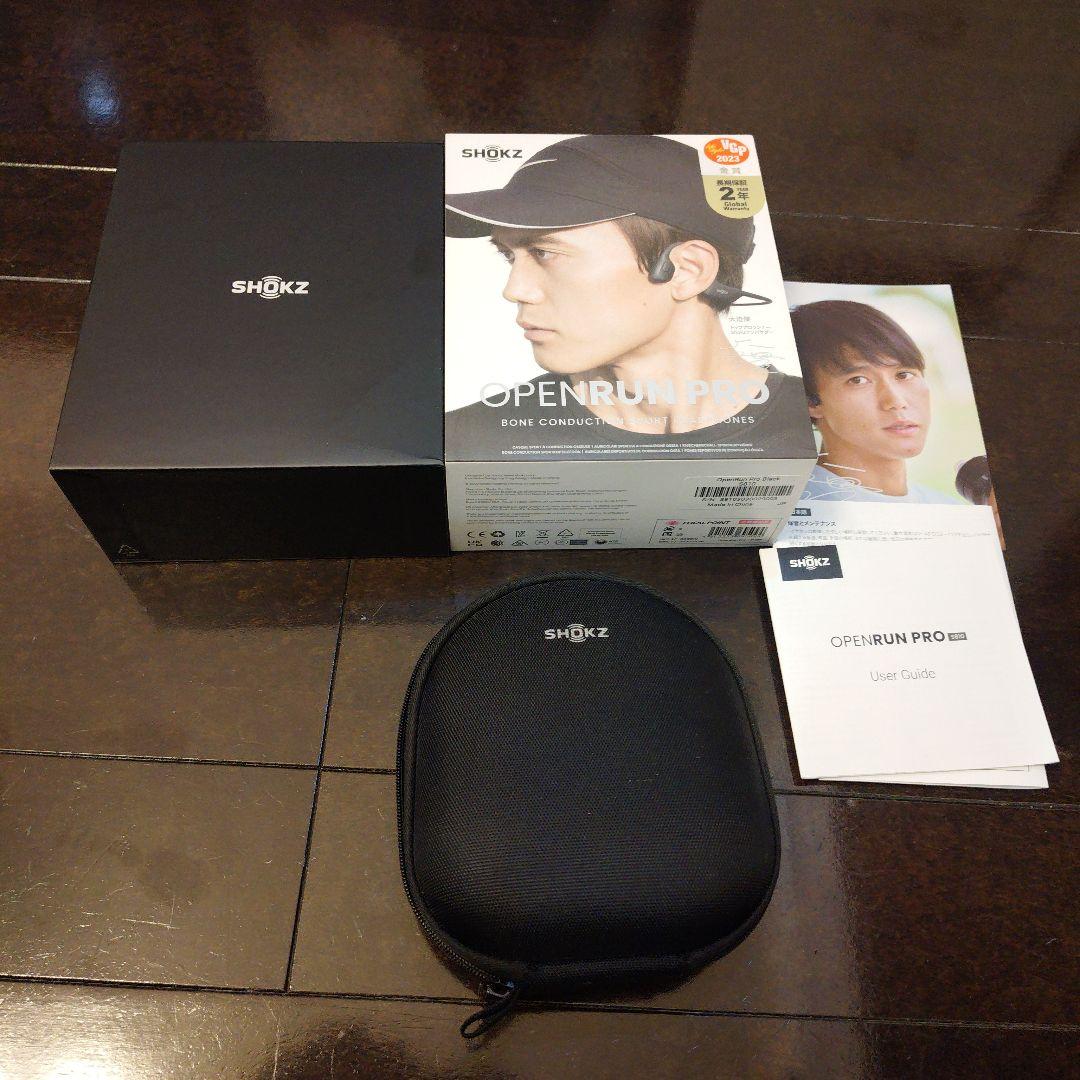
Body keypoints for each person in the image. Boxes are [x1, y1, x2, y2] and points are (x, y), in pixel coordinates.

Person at [444, 135, 808, 454]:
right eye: (509, 256)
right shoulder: (471, 438)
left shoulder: (811, 426)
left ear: (687, 270)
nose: (514, 290)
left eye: (544, 252)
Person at [789, 299, 959, 503]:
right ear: (811, 402)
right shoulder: (789, 510)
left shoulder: (949, 507)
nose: (896, 401)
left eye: (904, 375)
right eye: (858, 380)